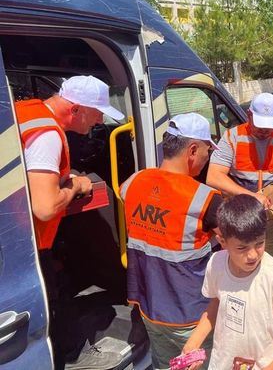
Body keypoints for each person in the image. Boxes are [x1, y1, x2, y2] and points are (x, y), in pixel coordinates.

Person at [120, 113, 223, 369]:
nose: (207, 158)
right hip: (191, 318)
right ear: (192, 150)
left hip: (149, 310)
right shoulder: (205, 198)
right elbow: (234, 243)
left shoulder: (133, 182)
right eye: (207, 151)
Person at [182, 195, 273, 370]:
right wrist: (194, 341)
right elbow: (216, 303)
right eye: (242, 248)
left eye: (259, 243)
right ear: (222, 242)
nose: (252, 255)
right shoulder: (216, 263)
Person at [16, 75, 124, 253]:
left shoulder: (26, 111)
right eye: (98, 112)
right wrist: (76, 185)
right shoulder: (47, 136)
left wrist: (60, 180)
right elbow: (45, 208)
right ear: (75, 109)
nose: (100, 121)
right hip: (26, 244)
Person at [207, 92, 273, 264]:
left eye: (269, 125)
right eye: (260, 124)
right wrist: (252, 196)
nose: (265, 130)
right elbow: (214, 176)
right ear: (249, 115)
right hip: (239, 217)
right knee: (241, 264)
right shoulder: (232, 137)